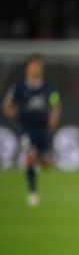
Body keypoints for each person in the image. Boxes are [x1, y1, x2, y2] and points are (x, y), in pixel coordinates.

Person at [2, 54, 61, 206]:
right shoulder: (19, 87)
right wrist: (13, 113)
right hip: (26, 128)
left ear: (41, 69)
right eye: (32, 66)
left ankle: (41, 163)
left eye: (38, 66)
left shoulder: (49, 87)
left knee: (45, 162)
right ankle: (32, 192)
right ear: (27, 69)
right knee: (30, 156)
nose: (35, 69)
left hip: (42, 129)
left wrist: (54, 117)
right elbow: (7, 104)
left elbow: (55, 102)